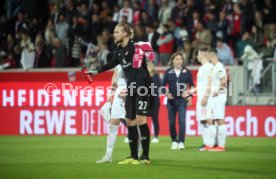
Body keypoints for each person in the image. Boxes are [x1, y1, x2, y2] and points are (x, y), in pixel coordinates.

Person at [86, 23, 152, 164]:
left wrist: (134, 86)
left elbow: (140, 66)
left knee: (141, 120)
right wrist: (97, 71)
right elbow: (112, 62)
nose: (114, 34)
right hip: (131, 87)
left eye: (117, 32)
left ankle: (145, 156)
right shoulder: (120, 50)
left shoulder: (135, 48)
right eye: (114, 32)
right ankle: (133, 156)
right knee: (130, 120)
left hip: (141, 87)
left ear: (125, 34)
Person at [162, 52, 194, 150]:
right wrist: (167, 94)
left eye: (180, 59)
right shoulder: (168, 72)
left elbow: (192, 86)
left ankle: (181, 142)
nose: (179, 61)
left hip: (182, 100)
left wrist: (190, 96)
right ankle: (174, 141)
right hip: (171, 101)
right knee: (171, 122)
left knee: (182, 121)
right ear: (172, 61)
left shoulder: (187, 72)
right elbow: (162, 86)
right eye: (177, 59)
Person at [96, 65, 127, 163]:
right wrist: (110, 97)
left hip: (131, 92)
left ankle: (138, 154)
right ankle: (108, 155)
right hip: (119, 93)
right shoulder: (118, 63)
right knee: (113, 124)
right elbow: (114, 80)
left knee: (134, 125)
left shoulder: (134, 59)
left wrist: (131, 89)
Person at [207, 48, 227, 152]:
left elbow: (224, 80)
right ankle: (215, 144)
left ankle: (222, 146)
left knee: (220, 119)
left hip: (219, 96)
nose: (207, 57)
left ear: (212, 55)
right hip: (214, 97)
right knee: (214, 119)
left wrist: (217, 90)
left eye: (208, 55)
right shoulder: (214, 67)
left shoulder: (219, 67)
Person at [195, 48, 215, 151]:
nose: (196, 56)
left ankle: (211, 144)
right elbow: (200, 85)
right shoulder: (201, 68)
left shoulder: (210, 67)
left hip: (206, 98)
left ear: (202, 54)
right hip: (200, 98)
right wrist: (190, 91)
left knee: (208, 119)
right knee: (202, 120)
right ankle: (206, 143)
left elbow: (210, 83)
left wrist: (206, 97)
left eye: (198, 53)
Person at [147, 62, 161, 143]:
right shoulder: (144, 75)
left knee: (155, 118)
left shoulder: (156, 76)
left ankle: (156, 136)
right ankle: (143, 135)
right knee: (143, 119)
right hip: (146, 100)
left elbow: (156, 89)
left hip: (154, 101)